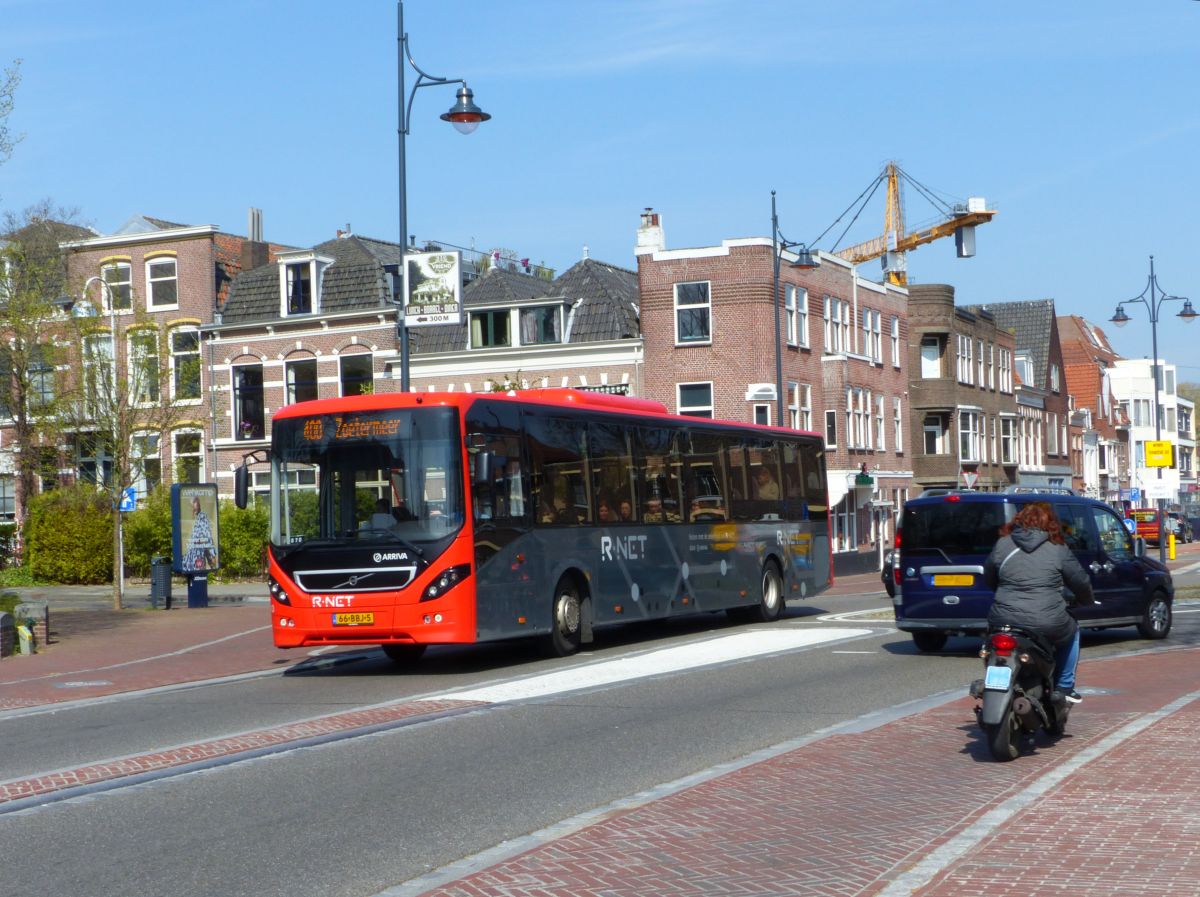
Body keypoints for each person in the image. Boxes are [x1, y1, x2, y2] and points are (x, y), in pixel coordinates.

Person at [984, 502, 1093, 704]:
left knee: (991, 646)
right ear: (1051, 523)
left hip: (1003, 617)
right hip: (1047, 620)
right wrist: (1085, 600)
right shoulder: (1058, 548)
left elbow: (989, 576)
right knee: (1073, 632)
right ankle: (1065, 686)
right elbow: (1080, 581)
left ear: (1018, 521)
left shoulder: (1003, 544)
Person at [183, 495, 217, 571]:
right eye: (192, 504)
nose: (194, 506)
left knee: (198, 578)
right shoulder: (192, 519)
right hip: (189, 561)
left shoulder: (202, 517)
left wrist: (212, 556)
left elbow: (207, 538)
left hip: (197, 560)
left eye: (196, 503)